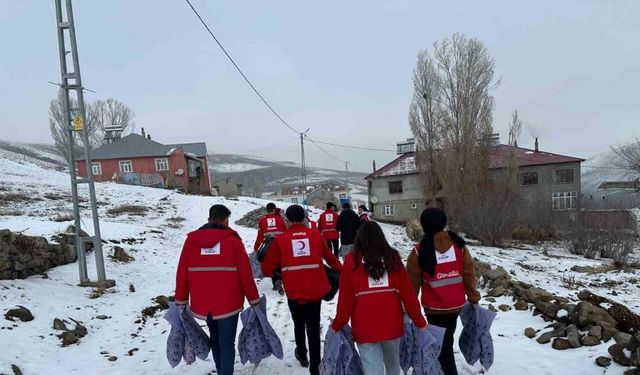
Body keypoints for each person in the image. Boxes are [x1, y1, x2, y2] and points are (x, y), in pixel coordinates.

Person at [331, 221, 428, 375]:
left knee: (372, 369)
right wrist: (420, 322)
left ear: (359, 238)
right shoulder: (393, 258)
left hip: (365, 327)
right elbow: (408, 295)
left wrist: (337, 324)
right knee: (393, 366)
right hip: (392, 324)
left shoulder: (351, 261)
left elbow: (345, 301)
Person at [175, 204, 260, 375]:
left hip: (204, 304)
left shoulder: (191, 241)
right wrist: (253, 299)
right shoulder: (233, 241)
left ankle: (222, 369)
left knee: (215, 339)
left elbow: (182, 272)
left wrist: (181, 300)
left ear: (209, 219)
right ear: (226, 220)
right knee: (227, 342)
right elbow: (245, 274)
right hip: (229, 303)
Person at [261, 205, 343, 375]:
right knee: (313, 327)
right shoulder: (315, 235)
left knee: (298, 323)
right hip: (314, 291)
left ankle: (302, 354)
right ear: (304, 217)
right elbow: (331, 258)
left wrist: (281, 267)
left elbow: (266, 269)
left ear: (288, 220)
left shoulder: (281, 240)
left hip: (294, 292)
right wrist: (343, 272)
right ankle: (315, 367)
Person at [406, 207, 481, 375]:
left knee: (443, 345)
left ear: (424, 225)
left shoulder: (419, 251)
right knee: (446, 339)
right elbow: (469, 273)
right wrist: (473, 296)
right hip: (456, 305)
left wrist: (409, 308)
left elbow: (411, 284)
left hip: (434, 309)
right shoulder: (459, 246)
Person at [254, 202, 287, 295]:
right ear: (274, 210)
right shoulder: (280, 219)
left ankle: (275, 281)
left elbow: (260, 236)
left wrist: (256, 247)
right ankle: (279, 280)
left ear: (266, 210)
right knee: (279, 263)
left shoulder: (262, 221)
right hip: (280, 245)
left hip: (268, 247)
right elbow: (285, 232)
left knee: (271, 264)